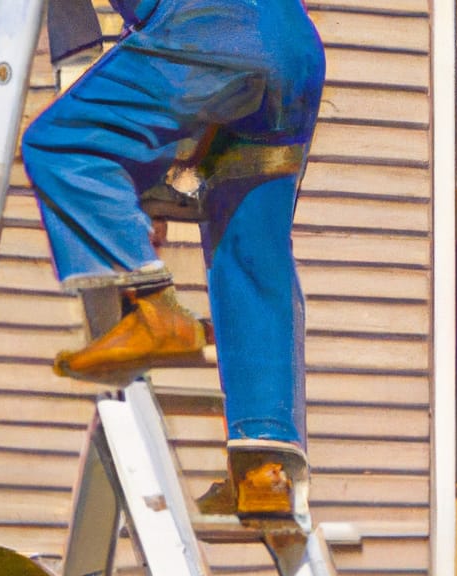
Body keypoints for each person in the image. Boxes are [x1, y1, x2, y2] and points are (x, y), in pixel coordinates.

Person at [24, 0, 325, 524]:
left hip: (211, 32)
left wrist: (122, 195)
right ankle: (264, 472)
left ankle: (157, 312)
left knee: (62, 146)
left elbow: (79, 60)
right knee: (250, 249)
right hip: (293, 50)